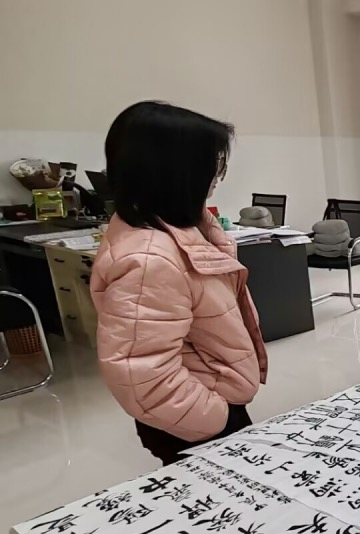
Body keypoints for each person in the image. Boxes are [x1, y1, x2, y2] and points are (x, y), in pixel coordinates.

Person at [91, 101, 266, 465]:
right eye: (212, 164)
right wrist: (218, 419)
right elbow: (142, 374)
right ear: (176, 171)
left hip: (205, 400)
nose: (216, 176)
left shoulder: (181, 225)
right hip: (194, 420)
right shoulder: (149, 258)